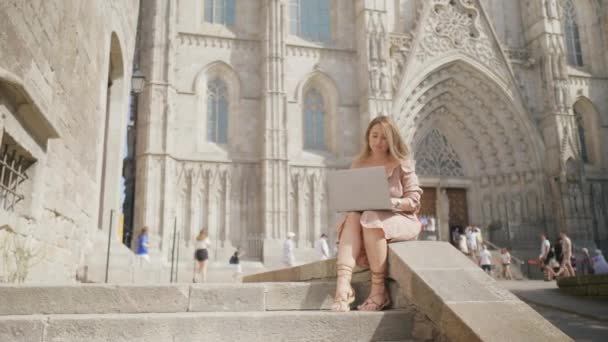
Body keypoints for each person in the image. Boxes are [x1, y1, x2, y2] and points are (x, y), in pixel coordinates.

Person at [331, 115, 423, 312]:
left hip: (401, 218)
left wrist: (391, 202)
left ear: (392, 139)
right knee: (355, 215)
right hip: (365, 220)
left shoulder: (402, 162)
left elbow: (414, 201)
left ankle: (379, 291)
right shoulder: (358, 163)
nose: (379, 142)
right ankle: (343, 285)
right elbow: (354, 201)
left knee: (370, 216)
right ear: (367, 137)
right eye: (374, 136)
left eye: (384, 137)